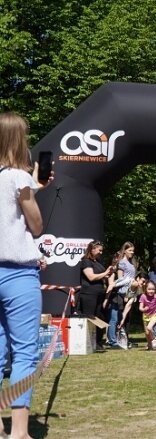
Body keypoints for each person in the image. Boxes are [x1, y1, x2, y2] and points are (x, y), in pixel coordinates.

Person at [0, 111, 53, 438]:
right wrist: (32, 186)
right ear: (19, 140)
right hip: (18, 275)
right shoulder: (19, 178)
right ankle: (19, 432)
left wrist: (35, 186)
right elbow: (35, 225)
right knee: (23, 352)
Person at [79, 240, 114, 351]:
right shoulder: (86, 261)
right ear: (92, 249)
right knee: (90, 318)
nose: (101, 253)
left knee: (100, 318)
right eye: (99, 250)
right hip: (89, 294)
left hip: (99, 294)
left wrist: (108, 275)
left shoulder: (97, 262)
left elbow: (101, 276)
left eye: (102, 251)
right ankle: (87, 343)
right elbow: (91, 277)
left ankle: (98, 343)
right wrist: (105, 273)